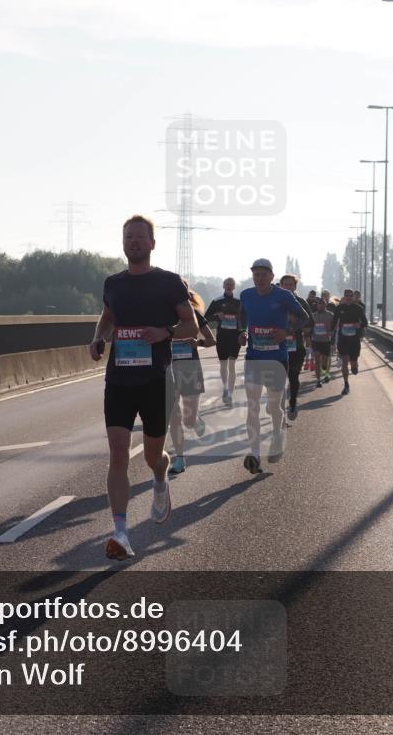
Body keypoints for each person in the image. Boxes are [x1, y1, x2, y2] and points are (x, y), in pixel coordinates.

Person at [89, 215, 197, 560]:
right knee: (118, 452)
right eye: (128, 237)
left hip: (155, 381)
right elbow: (108, 317)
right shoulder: (113, 284)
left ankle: (161, 479)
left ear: (152, 243)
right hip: (119, 379)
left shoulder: (168, 282)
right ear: (123, 244)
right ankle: (121, 533)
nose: (133, 241)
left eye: (139, 237)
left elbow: (191, 325)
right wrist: (97, 338)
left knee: (153, 455)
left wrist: (165, 331)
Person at [238, 259, 305, 473]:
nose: (259, 278)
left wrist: (287, 331)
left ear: (271, 276)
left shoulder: (284, 295)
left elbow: (304, 317)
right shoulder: (246, 295)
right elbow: (242, 317)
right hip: (254, 357)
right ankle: (255, 453)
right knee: (253, 405)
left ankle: (277, 432)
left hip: (277, 357)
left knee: (274, 405)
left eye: (263, 274)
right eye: (256, 274)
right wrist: (242, 332)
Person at [168, 283, 216, 475]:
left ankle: (195, 420)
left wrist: (198, 343)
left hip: (190, 368)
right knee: (174, 416)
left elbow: (212, 340)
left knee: (187, 420)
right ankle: (179, 458)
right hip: (169, 368)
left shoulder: (195, 314)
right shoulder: (160, 314)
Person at [278, 274, 314, 421]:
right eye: (285, 284)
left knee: (293, 377)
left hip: (296, 346)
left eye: (290, 285)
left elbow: (310, 322)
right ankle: (278, 408)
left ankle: (292, 402)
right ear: (280, 286)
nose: (287, 287)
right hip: (277, 346)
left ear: (295, 287)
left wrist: (295, 323)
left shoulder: (300, 302)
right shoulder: (275, 301)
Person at [203, 277, 241, 407]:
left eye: (231, 284)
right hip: (222, 336)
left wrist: (243, 331)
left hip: (235, 337)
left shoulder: (239, 302)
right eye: (227, 284)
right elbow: (206, 317)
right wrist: (217, 316)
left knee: (232, 365)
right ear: (223, 285)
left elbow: (245, 318)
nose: (229, 286)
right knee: (223, 365)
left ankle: (230, 393)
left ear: (234, 286)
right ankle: (225, 388)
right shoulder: (217, 301)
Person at [330, 288, 369, 395]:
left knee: (353, 362)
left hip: (354, 339)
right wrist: (331, 333)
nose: (348, 297)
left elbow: (365, 322)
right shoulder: (339, 308)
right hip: (343, 338)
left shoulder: (358, 308)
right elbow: (334, 321)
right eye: (346, 295)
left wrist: (359, 325)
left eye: (350, 296)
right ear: (344, 296)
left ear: (353, 297)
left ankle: (354, 366)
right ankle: (346, 384)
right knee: (344, 361)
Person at [310, 298, 334, 387]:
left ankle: (325, 371)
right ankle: (318, 380)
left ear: (325, 305)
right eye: (319, 304)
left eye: (322, 304)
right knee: (317, 360)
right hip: (316, 341)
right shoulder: (313, 316)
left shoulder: (330, 315)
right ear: (317, 305)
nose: (320, 305)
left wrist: (332, 334)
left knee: (325, 361)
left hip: (326, 341)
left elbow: (335, 327)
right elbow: (310, 328)